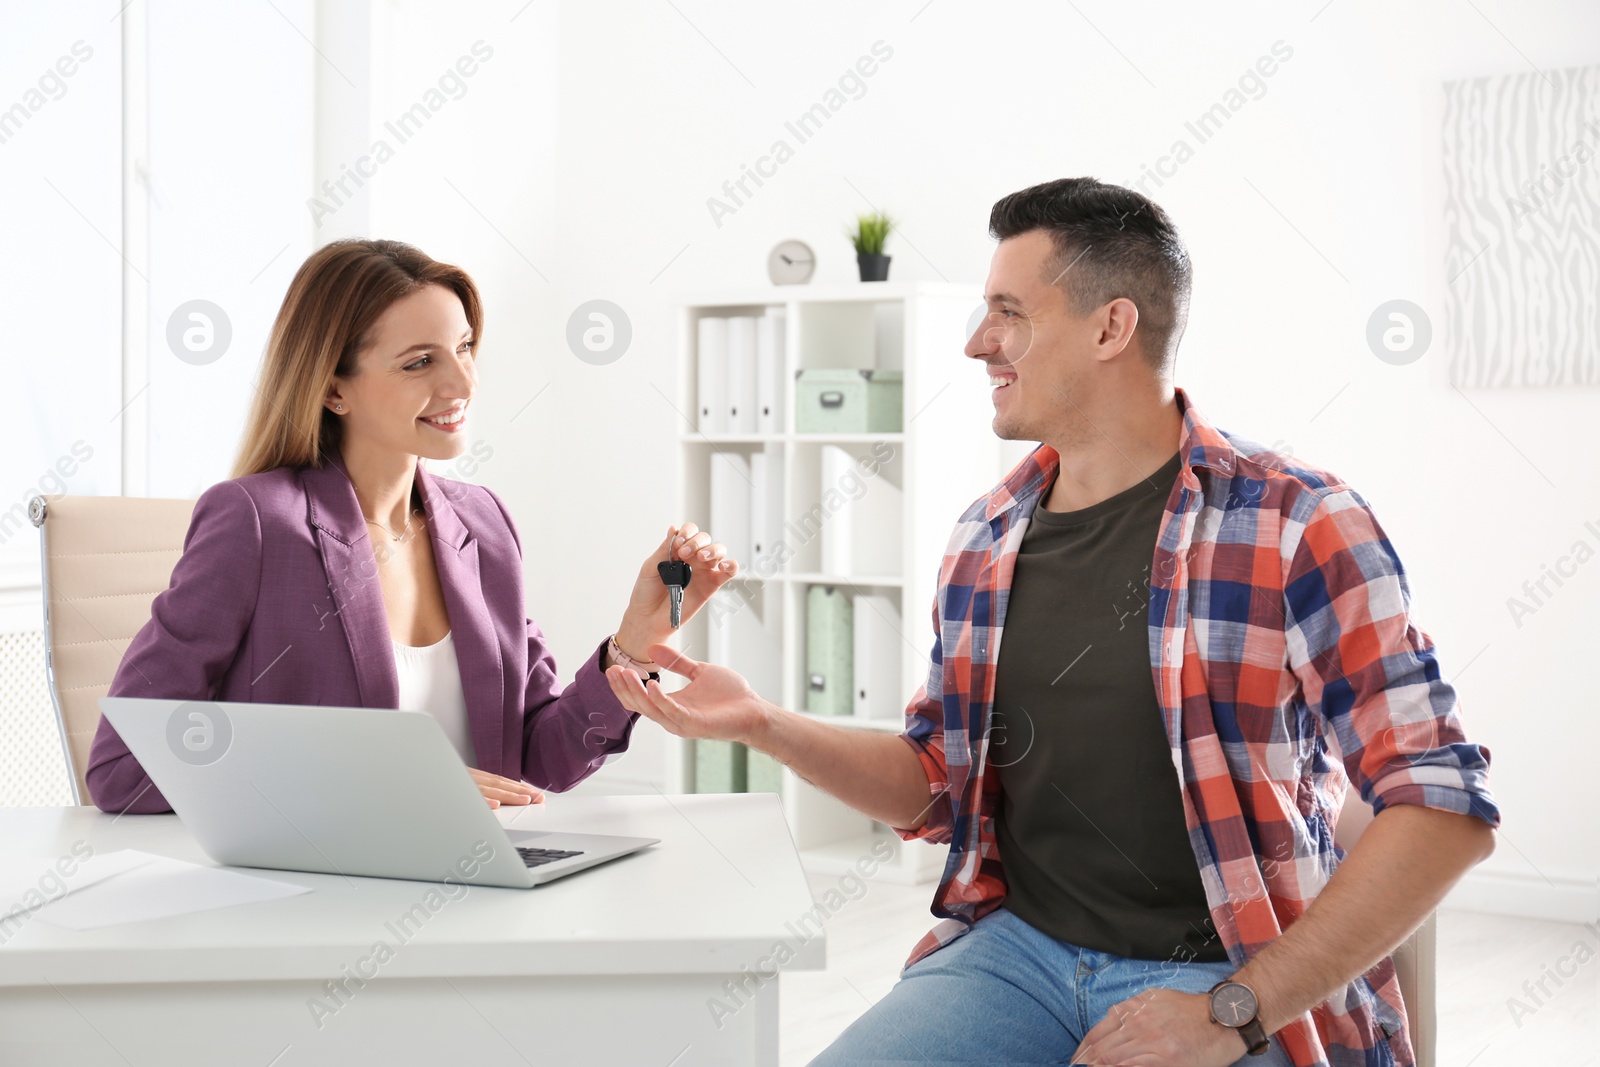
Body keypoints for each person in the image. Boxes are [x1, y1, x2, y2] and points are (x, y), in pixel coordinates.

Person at [604, 178, 1500, 1067]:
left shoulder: (1298, 522)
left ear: (1112, 328)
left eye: (1007, 313)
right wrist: (763, 721)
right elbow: (936, 783)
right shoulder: (986, 536)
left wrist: (1234, 1008)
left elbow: (1446, 804)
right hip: (1018, 956)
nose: (974, 343)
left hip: (1230, 972)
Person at [88, 238, 736, 815]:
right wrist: (382, 788)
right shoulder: (255, 523)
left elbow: (541, 757)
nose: (462, 382)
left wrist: (632, 644)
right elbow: (122, 771)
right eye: (419, 362)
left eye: (464, 348)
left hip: (477, 884)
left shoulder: (483, 524)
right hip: (320, 896)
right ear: (333, 388)